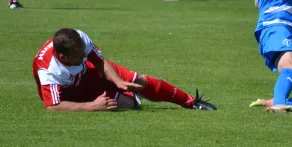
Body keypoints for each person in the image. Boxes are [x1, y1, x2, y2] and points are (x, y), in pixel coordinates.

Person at [32, 28, 217, 111]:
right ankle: (129, 99)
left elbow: (101, 62)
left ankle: (190, 102)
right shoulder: (49, 70)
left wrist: (119, 81)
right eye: (79, 56)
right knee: (129, 104)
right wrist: (91, 106)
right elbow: (53, 106)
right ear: (63, 57)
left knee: (139, 81)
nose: (84, 58)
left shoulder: (79, 39)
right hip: (72, 90)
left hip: (90, 72)